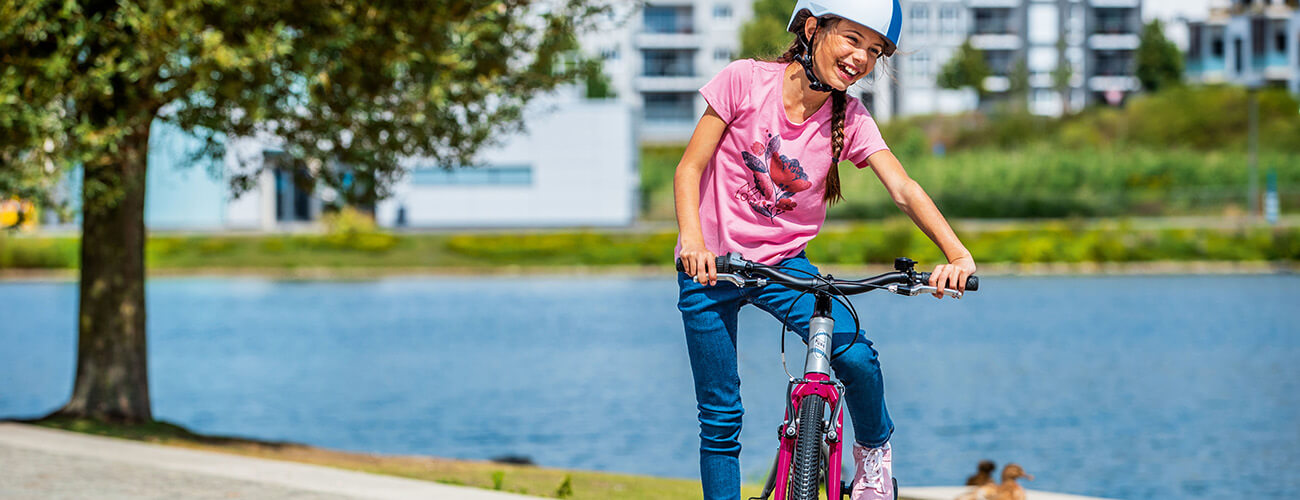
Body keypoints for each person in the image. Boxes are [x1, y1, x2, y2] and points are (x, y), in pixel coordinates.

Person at [673, 1, 978, 499]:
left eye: (875, 50)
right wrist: (694, 244)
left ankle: (874, 455)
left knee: (855, 355)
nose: (862, 57)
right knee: (721, 416)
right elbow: (688, 169)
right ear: (813, 28)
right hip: (710, 267)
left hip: (783, 268)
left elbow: (902, 187)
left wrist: (957, 255)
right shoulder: (744, 81)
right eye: (853, 39)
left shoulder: (851, 118)